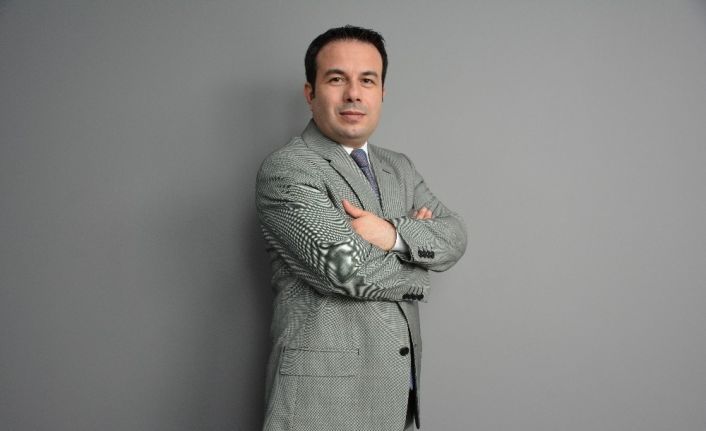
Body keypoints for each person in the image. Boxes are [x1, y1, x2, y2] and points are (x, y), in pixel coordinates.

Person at [256, 25, 467, 431]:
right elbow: (345, 270)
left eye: (367, 80)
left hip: (397, 398)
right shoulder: (287, 168)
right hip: (322, 403)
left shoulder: (399, 167)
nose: (354, 93)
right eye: (337, 79)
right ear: (310, 93)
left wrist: (391, 235)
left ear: (382, 92)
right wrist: (419, 261)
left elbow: (455, 233)